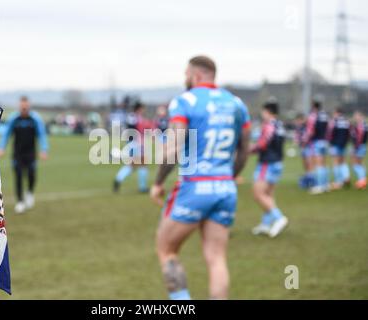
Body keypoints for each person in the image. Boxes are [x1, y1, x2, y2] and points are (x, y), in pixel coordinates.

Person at [150, 56, 251, 300]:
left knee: (166, 249)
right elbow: (244, 149)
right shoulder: (236, 103)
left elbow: (174, 148)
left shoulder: (185, 101)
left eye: (186, 74)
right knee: (216, 259)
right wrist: (229, 177)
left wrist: (158, 182)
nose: (185, 78)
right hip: (225, 188)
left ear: (196, 75)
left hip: (194, 187)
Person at [0, 96, 48, 213]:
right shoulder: (14, 119)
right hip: (17, 154)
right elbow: (6, 134)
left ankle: (30, 192)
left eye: (26, 107)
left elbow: (41, 135)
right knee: (19, 176)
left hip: (31, 153)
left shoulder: (35, 119)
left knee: (31, 175)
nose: (24, 108)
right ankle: (20, 202)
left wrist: (44, 149)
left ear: (29, 106)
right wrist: (1, 147)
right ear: (19, 107)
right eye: (22, 107)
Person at [251, 99, 288, 237]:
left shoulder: (269, 125)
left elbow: (263, 143)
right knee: (268, 195)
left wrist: (249, 150)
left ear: (267, 111)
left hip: (267, 163)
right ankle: (266, 224)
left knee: (258, 194)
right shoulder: (280, 125)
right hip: (278, 163)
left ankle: (279, 218)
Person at [113, 101, 154, 193]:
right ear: (139, 109)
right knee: (142, 164)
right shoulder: (135, 117)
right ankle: (142, 187)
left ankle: (118, 179)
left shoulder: (132, 117)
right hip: (135, 144)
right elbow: (133, 130)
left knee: (133, 165)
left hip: (132, 143)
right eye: (143, 108)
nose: (144, 110)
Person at [302, 100, 329, 194]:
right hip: (324, 142)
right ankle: (325, 185)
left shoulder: (313, 116)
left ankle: (319, 186)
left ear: (313, 106)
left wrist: (305, 141)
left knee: (317, 164)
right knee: (323, 164)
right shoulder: (325, 115)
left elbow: (310, 131)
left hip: (316, 142)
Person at [327, 108, 351, 190]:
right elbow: (349, 133)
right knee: (342, 161)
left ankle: (338, 182)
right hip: (343, 145)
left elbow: (330, 133)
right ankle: (346, 178)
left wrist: (330, 143)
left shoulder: (334, 121)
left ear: (337, 113)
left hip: (335, 144)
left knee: (335, 162)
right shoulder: (347, 121)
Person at [294, 113, 315, 189]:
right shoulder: (298, 127)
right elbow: (296, 136)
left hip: (308, 147)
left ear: (302, 120)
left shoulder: (306, 126)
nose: (297, 122)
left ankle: (312, 179)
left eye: (299, 120)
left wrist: (302, 141)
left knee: (309, 163)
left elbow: (308, 135)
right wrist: (297, 141)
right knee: (305, 163)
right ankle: (308, 178)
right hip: (302, 147)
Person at [350, 110, 367, 190]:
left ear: (360, 116)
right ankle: (362, 181)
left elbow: (359, 137)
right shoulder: (363, 125)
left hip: (359, 146)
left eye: (356, 116)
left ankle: (362, 181)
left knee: (357, 164)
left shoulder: (361, 125)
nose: (355, 117)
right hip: (362, 146)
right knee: (359, 164)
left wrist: (355, 147)